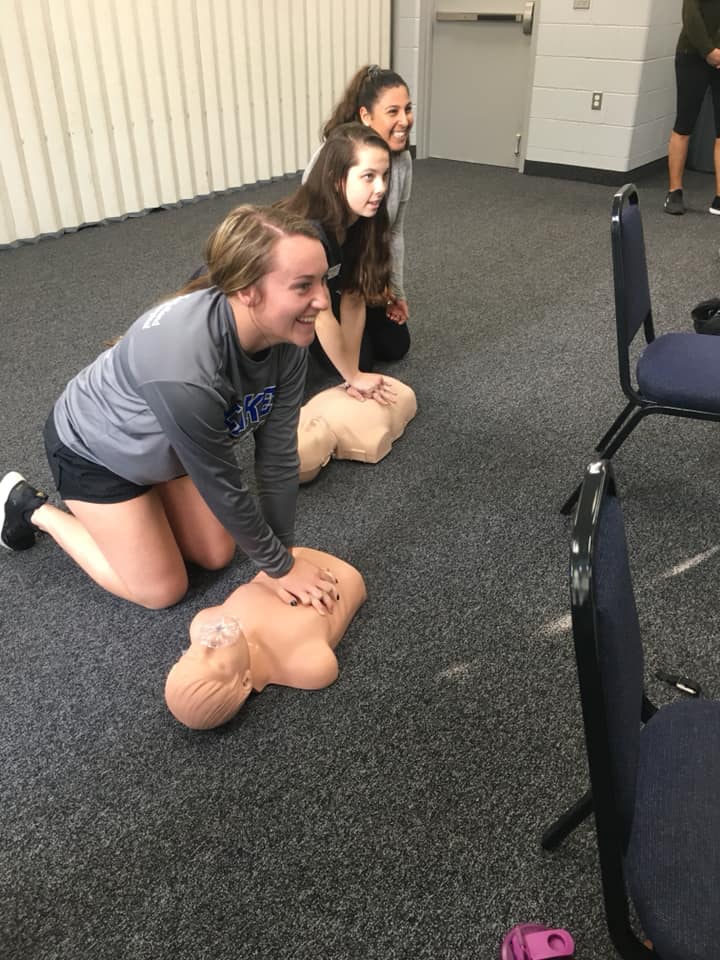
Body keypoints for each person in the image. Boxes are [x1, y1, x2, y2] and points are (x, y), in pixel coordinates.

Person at [0, 205, 340, 612]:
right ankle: (28, 507)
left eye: (323, 280)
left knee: (217, 555)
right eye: (304, 286)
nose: (322, 300)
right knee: (164, 590)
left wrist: (284, 554)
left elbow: (278, 457)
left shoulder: (288, 338)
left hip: (166, 447)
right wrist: (283, 569)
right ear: (248, 289)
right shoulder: (185, 369)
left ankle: (144, 512)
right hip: (94, 452)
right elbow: (223, 484)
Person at [164, 546, 367, 730]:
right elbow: (325, 668)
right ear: (245, 682)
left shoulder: (203, 623)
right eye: (218, 664)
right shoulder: (297, 664)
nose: (206, 647)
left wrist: (280, 565)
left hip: (287, 557)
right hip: (343, 574)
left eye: (190, 655)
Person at [278, 121, 397, 405]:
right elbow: (319, 312)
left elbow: (354, 296)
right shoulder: (308, 231)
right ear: (336, 178)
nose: (381, 188)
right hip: (256, 307)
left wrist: (352, 372)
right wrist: (354, 377)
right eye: (368, 176)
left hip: (309, 296)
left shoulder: (365, 221)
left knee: (362, 358)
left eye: (385, 175)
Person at [304, 64, 413, 368]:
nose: (404, 120)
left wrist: (392, 290)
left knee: (395, 346)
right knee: (358, 361)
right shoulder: (332, 162)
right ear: (366, 116)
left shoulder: (402, 161)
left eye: (408, 109)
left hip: (353, 265)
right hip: (314, 276)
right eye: (393, 111)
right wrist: (352, 374)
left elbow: (392, 233)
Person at [664, 0, 720, 215]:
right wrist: (708, 51)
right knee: (684, 124)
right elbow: (691, 14)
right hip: (693, 55)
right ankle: (674, 192)